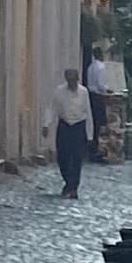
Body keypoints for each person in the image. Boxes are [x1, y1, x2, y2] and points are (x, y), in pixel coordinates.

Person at [50, 59, 94, 200]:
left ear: (77, 80)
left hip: (78, 126)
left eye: (73, 80)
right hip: (64, 125)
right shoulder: (59, 91)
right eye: (69, 80)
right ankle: (68, 182)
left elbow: (88, 112)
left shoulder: (84, 92)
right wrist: (46, 124)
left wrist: (90, 135)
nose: (71, 83)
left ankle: (73, 187)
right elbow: (52, 108)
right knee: (62, 157)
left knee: (76, 159)